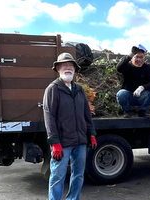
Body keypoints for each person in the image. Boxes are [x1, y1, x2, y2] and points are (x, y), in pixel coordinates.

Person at [43, 52, 98, 200]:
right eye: (64, 65)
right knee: (57, 176)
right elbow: (49, 116)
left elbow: (86, 113)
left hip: (80, 141)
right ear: (58, 69)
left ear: (74, 69)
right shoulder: (53, 89)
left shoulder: (79, 90)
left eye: (71, 65)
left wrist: (92, 133)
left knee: (78, 175)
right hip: (62, 142)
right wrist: (54, 142)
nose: (68, 68)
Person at [116, 44, 150, 118]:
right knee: (121, 93)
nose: (139, 60)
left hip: (142, 96)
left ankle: (142, 111)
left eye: (141, 57)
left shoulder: (148, 67)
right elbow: (119, 68)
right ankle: (128, 111)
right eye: (137, 57)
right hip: (128, 96)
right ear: (132, 58)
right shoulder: (127, 66)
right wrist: (129, 55)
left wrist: (142, 87)